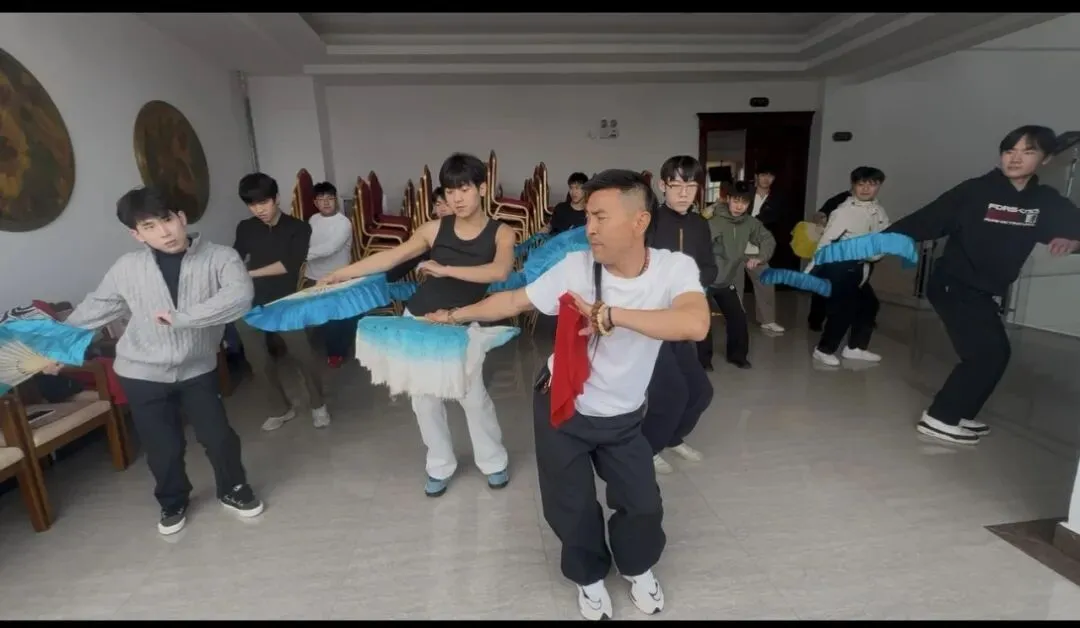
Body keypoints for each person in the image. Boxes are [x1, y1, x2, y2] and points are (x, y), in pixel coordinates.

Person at [426, 169, 710, 620]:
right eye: (587, 217)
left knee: (642, 503)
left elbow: (694, 323)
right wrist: (453, 315)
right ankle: (589, 577)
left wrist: (611, 315)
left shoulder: (673, 269)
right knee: (571, 505)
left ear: (639, 221)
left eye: (600, 217)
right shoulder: (577, 267)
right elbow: (514, 301)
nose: (589, 228)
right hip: (563, 404)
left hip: (623, 416)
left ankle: (636, 567)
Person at [58, 187, 262, 535]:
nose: (164, 232)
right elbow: (95, 309)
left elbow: (239, 297)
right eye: (149, 226)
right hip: (141, 372)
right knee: (162, 446)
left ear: (182, 218)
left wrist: (183, 318)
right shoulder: (127, 268)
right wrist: (56, 350)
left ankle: (233, 487)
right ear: (136, 235)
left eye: (167, 220)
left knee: (218, 436)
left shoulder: (220, 258)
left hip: (197, 368)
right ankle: (172, 500)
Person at [320, 153, 516, 496]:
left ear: (482, 188)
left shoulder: (502, 233)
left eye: (465, 189)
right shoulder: (434, 229)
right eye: (450, 191)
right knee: (424, 400)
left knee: (472, 396)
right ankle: (440, 465)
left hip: (463, 320)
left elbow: (498, 272)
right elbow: (391, 257)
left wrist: (445, 269)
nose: (457, 198)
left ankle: (493, 461)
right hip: (420, 318)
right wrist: (340, 273)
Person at [886, 125, 1080, 445]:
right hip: (953, 284)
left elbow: (1073, 226)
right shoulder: (975, 191)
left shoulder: (1044, 201)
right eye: (1009, 151)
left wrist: (1072, 240)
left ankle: (960, 413)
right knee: (986, 355)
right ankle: (940, 418)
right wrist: (879, 243)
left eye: (1028, 152)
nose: (1015, 158)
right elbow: (927, 219)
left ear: (1045, 159)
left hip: (983, 291)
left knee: (996, 353)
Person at [232, 173, 331, 430]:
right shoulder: (245, 227)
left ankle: (318, 404)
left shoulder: (299, 228)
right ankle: (280, 409)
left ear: (276, 198)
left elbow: (289, 265)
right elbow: (235, 258)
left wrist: (249, 273)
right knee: (258, 360)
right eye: (252, 204)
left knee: (303, 356)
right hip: (251, 302)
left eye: (263, 202)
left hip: (287, 302)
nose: (259, 210)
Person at [641, 155, 715, 473]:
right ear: (662, 185)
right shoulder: (649, 222)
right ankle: (647, 448)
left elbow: (709, 266)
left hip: (682, 320)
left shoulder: (700, 224)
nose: (684, 193)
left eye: (691, 186)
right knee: (671, 393)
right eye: (676, 185)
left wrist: (691, 288)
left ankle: (672, 438)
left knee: (700, 392)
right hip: (652, 322)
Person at [808, 167, 890, 367]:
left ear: (879, 186)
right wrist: (811, 269)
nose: (865, 189)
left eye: (871, 185)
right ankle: (823, 350)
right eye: (861, 184)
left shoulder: (878, 210)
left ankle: (856, 347)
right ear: (853, 185)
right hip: (841, 267)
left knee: (869, 305)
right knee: (844, 309)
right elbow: (825, 241)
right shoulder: (843, 212)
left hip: (863, 268)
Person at [704, 180, 776, 369]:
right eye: (736, 201)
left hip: (726, 281)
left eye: (744, 202)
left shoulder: (750, 223)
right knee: (703, 320)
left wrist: (760, 257)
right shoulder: (713, 222)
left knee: (738, 318)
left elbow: (767, 239)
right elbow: (699, 247)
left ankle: (737, 356)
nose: (739, 206)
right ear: (728, 199)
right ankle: (703, 361)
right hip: (706, 281)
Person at [303, 181, 355, 368]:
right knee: (322, 315)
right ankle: (329, 341)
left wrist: (299, 255)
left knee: (336, 317)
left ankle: (336, 352)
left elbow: (330, 248)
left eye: (330, 198)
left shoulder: (343, 223)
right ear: (315, 202)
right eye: (321, 199)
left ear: (336, 200)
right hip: (314, 275)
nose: (325, 202)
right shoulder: (313, 220)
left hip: (336, 276)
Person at [807, 187, 855, 331]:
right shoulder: (840, 200)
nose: (866, 189)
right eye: (861, 184)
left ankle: (857, 318)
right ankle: (816, 319)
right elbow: (819, 216)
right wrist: (822, 221)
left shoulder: (872, 206)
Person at [746, 164, 786, 333]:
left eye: (770, 176)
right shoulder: (746, 193)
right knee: (732, 284)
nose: (766, 179)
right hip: (736, 243)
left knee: (765, 282)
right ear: (756, 176)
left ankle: (767, 320)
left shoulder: (777, 199)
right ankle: (733, 317)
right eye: (763, 175)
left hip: (758, 248)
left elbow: (777, 220)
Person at [385, 187, 451, 283]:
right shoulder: (434, 226)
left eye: (447, 204)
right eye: (438, 204)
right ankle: (384, 278)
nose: (442, 209)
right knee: (413, 252)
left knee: (418, 252)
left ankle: (385, 279)